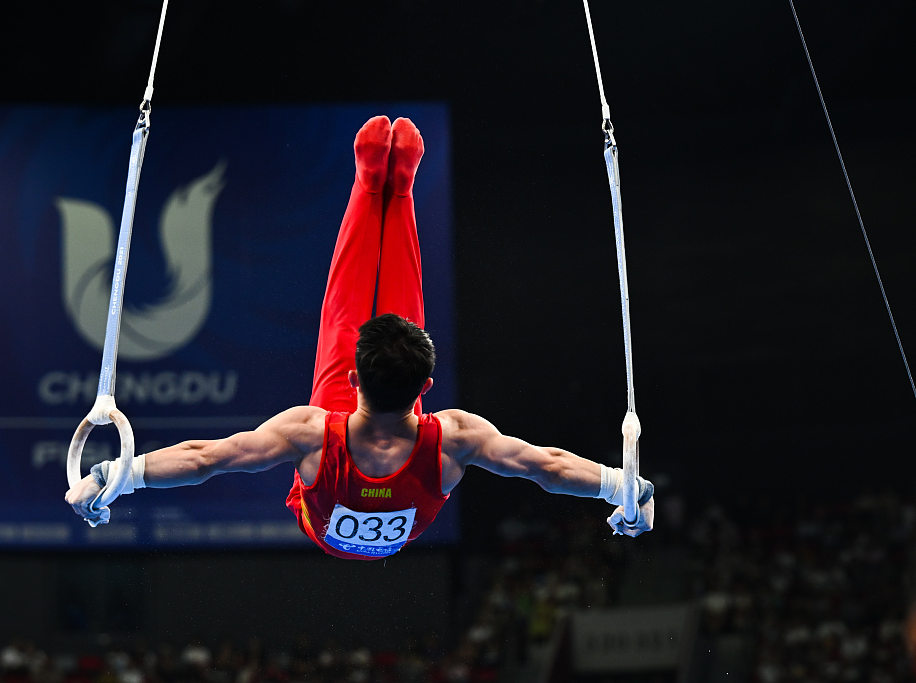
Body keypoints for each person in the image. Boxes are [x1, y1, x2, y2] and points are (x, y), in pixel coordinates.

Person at [65, 116, 654, 559]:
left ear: (354, 376)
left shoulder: (326, 434)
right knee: (353, 306)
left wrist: (113, 477)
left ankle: (386, 182)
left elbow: (206, 459)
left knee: (386, 298)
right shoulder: (449, 440)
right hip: (361, 432)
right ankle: (383, 181)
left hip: (341, 445)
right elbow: (544, 466)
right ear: (426, 385)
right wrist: (624, 489)